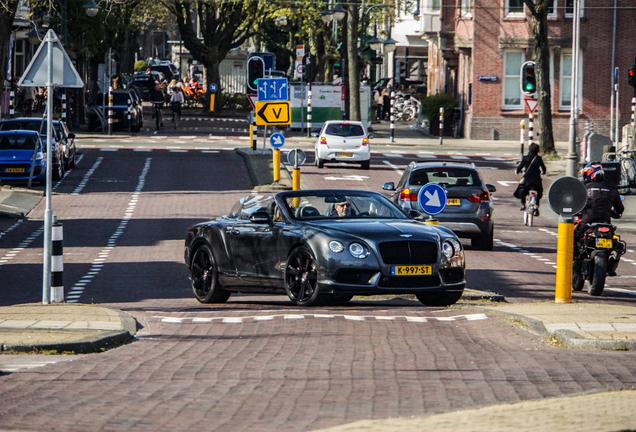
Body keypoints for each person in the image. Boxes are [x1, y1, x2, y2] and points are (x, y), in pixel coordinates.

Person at [574, 163, 625, 275]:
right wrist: (613, 212)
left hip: (588, 221)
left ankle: (575, 265)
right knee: (616, 244)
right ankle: (611, 265)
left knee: (574, 238)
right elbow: (620, 209)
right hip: (605, 223)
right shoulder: (612, 189)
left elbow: (577, 205)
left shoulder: (585, 188)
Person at [514, 143, 546, 214]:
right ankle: (537, 205)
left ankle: (523, 204)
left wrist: (517, 171)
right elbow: (543, 168)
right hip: (536, 180)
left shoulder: (525, 158)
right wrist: (543, 172)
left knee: (522, 188)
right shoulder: (538, 158)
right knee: (538, 190)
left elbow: (520, 167)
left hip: (527, 180)